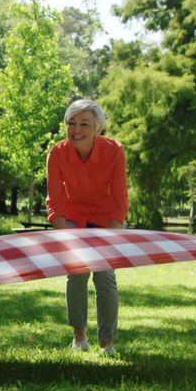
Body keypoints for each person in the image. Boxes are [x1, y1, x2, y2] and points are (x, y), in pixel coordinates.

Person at [46, 98, 129, 356]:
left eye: (84, 124)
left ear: (98, 128)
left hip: (106, 216)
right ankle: (79, 335)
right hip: (72, 215)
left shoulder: (115, 150)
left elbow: (119, 200)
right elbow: (56, 204)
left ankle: (107, 342)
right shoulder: (57, 154)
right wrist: (69, 241)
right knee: (77, 271)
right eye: (71, 123)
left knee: (104, 275)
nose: (77, 129)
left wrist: (111, 240)